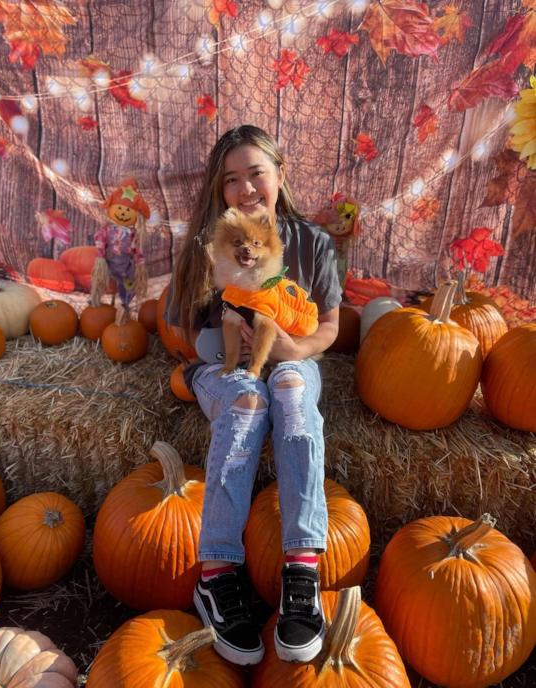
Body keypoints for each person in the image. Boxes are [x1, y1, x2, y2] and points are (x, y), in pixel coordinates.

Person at [165, 125, 341, 666]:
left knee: (288, 392)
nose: (245, 189)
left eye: (255, 174)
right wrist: (225, 343)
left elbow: (331, 326)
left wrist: (294, 347)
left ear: (279, 175)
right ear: (220, 191)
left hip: (289, 359)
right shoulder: (209, 245)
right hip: (227, 367)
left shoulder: (313, 242)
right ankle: (216, 572)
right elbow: (180, 334)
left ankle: (302, 570)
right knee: (247, 404)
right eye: (231, 180)